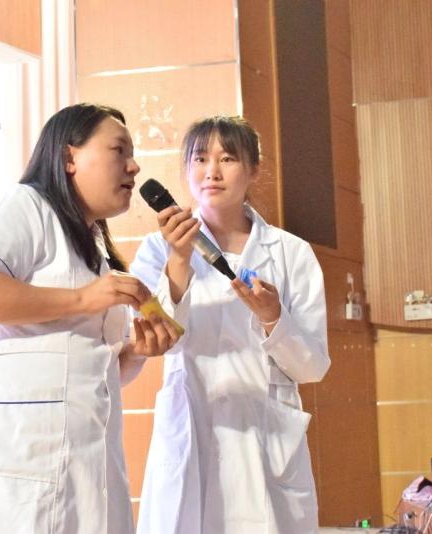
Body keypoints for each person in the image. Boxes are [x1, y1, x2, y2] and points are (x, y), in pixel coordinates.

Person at [0, 103, 181, 534]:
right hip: (19, 461)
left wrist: (138, 353)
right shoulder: (23, 205)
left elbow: (95, 369)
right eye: (119, 151)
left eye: (133, 154)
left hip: (86, 468)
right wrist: (83, 299)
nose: (134, 166)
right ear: (69, 157)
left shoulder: (96, 247)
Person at [131, 115, 331, 533]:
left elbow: (312, 367)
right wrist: (179, 261)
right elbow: (153, 337)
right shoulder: (156, 250)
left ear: (253, 169)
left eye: (227, 159)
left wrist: (273, 317)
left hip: (264, 443)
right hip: (191, 433)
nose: (212, 172)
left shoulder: (291, 254)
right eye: (200, 159)